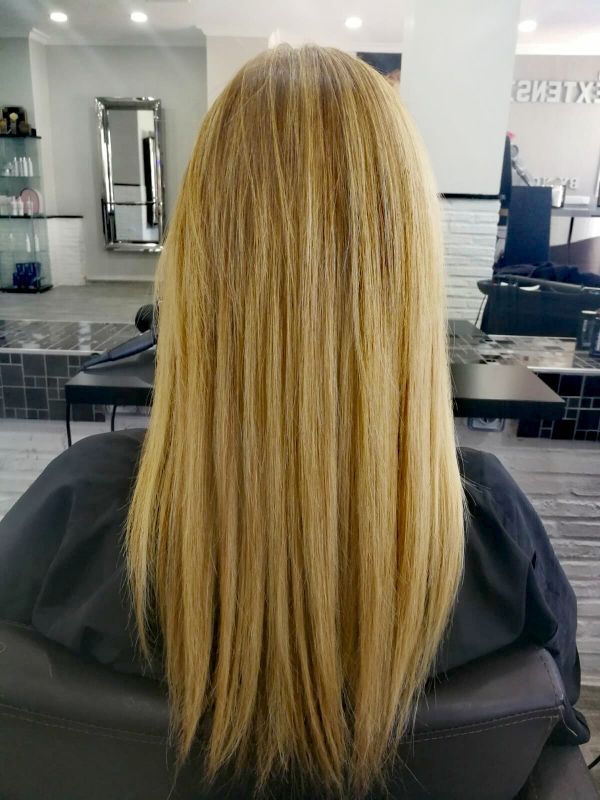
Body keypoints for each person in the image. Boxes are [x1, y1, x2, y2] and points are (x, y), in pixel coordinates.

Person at [0, 45, 588, 798]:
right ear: (406, 271)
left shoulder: (78, 510)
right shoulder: (491, 531)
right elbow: (548, 717)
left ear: (197, 260)